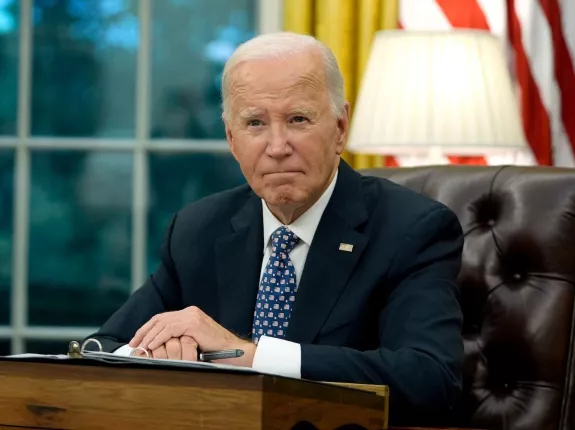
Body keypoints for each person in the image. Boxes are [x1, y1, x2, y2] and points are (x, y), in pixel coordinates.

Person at [88, 32, 465, 427]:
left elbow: (430, 380)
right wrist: (165, 351)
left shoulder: (412, 229)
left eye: (298, 119)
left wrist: (246, 356)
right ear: (232, 140)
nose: (277, 146)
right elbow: (104, 348)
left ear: (340, 127)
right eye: (255, 123)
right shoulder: (198, 229)